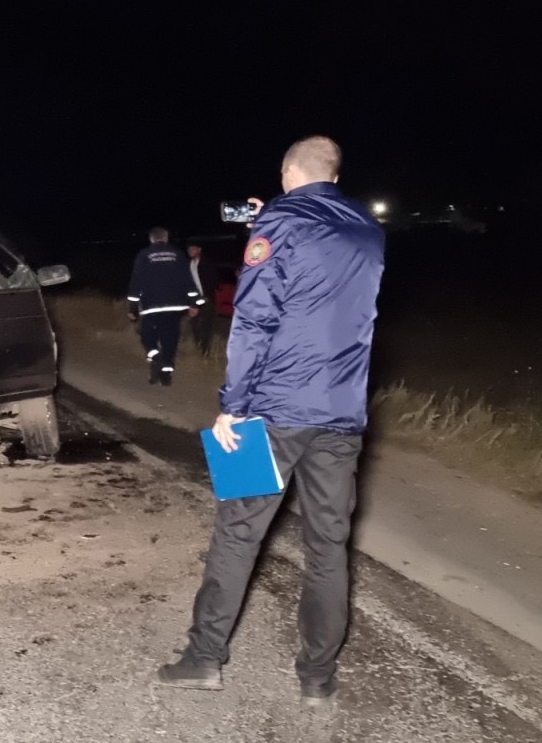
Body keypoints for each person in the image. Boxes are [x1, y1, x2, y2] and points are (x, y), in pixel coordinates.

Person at [153, 136, 385, 709]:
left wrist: (232, 405)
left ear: (286, 172)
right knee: (329, 546)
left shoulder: (282, 221)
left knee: (238, 532)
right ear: (334, 175)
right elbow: (323, 283)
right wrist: (269, 222)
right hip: (342, 413)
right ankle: (318, 678)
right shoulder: (368, 228)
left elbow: (254, 318)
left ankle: (204, 660)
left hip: (272, 409)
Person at [126, 227, 202, 386]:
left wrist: (132, 308)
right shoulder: (178, 254)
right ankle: (166, 373)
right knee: (170, 339)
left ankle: (156, 359)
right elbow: (188, 281)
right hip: (175, 306)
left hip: (151, 306)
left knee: (147, 336)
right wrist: (194, 303)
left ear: (151, 239)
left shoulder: (144, 255)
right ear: (166, 238)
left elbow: (136, 282)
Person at [186, 242, 221, 357]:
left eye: (193, 249)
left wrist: (206, 297)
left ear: (199, 249)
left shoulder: (207, 263)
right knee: (195, 326)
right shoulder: (189, 264)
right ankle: (199, 347)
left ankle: (205, 351)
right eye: (189, 249)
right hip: (193, 300)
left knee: (206, 326)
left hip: (207, 299)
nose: (191, 251)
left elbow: (212, 282)